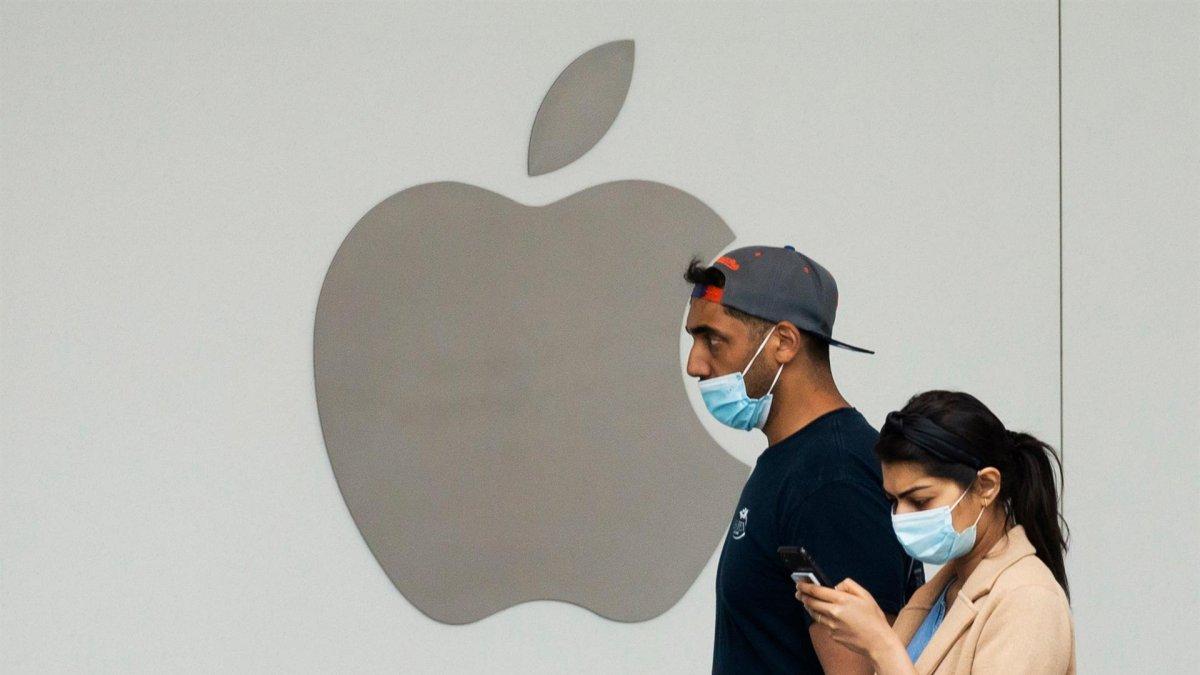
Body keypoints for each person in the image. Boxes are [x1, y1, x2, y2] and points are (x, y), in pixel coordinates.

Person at [684, 246, 921, 674]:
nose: (694, 364)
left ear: (784, 343)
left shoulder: (834, 477)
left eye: (712, 339)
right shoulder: (797, 461)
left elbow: (863, 670)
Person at [796, 390, 1076, 674]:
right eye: (893, 501)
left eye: (920, 500)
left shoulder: (1029, 600)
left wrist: (881, 644)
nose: (901, 517)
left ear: (987, 486)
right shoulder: (939, 594)